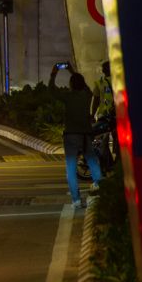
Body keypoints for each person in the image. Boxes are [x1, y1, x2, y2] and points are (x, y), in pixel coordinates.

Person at [49, 63, 103, 208]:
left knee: (71, 168)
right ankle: (102, 191)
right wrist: (72, 70)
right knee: (92, 162)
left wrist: (54, 73)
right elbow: (84, 86)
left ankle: (76, 200)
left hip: (71, 136)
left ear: (71, 84)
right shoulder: (86, 95)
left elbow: (52, 90)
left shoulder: (68, 96)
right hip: (86, 134)